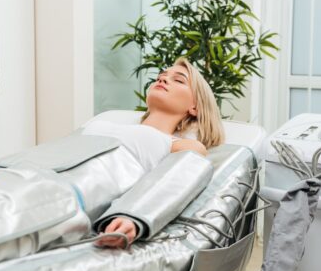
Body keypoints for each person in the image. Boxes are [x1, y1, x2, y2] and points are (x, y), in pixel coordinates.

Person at [93, 57, 224, 248]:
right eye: (160, 77)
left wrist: (132, 216)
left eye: (178, 80)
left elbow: (171, 183)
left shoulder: (181, 145)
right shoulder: (99, 124)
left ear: (194, 107)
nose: (162, 80)